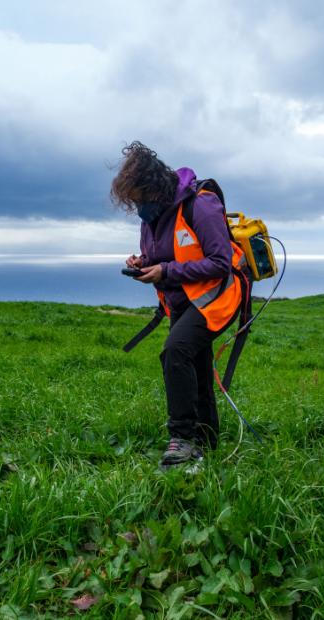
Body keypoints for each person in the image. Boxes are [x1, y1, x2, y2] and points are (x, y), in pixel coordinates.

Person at [111, 142, 247, 470]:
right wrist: (144, 262)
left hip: (217, 297)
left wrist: (165, 271)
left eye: (139, 198)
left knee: (175, 352)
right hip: (182, 301)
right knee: (195, 363)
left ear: (156, 187)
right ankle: (207, 441)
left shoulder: (201, 205)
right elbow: (165, 254)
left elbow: (220, 262)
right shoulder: (153, 216)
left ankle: (182, 439)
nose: (137, 207)